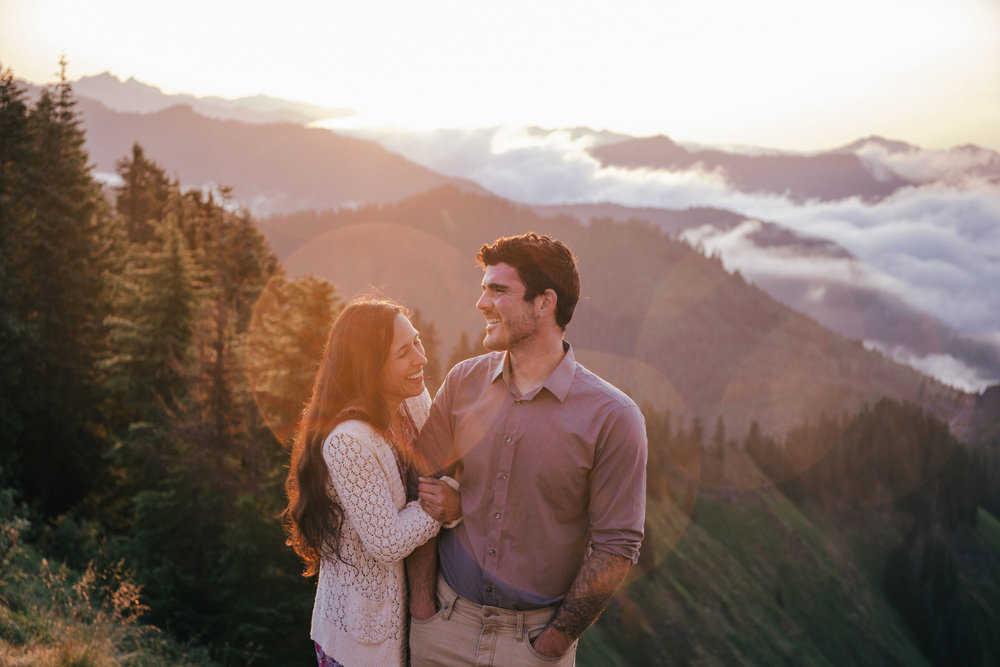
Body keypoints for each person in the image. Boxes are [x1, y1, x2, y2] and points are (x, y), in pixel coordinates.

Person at [406, 232, 648, 666]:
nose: (481, 303)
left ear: (544, 303)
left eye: (498, 291)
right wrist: (423, 609)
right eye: (483, 288)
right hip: (443, 629)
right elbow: (420, 479)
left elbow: (616, 546)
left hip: (533, 648)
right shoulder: (464, 381)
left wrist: (552, 645)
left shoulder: (614, 416)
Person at [281, 297, 461, 667]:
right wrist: (446, 507)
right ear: (369, 366)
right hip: (360, 638)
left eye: (417, 341)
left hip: (418, 619)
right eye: (403, 352)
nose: (421, 359)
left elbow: (439, 469)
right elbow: (388, 541)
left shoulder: (413, 403)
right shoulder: (349, 441)